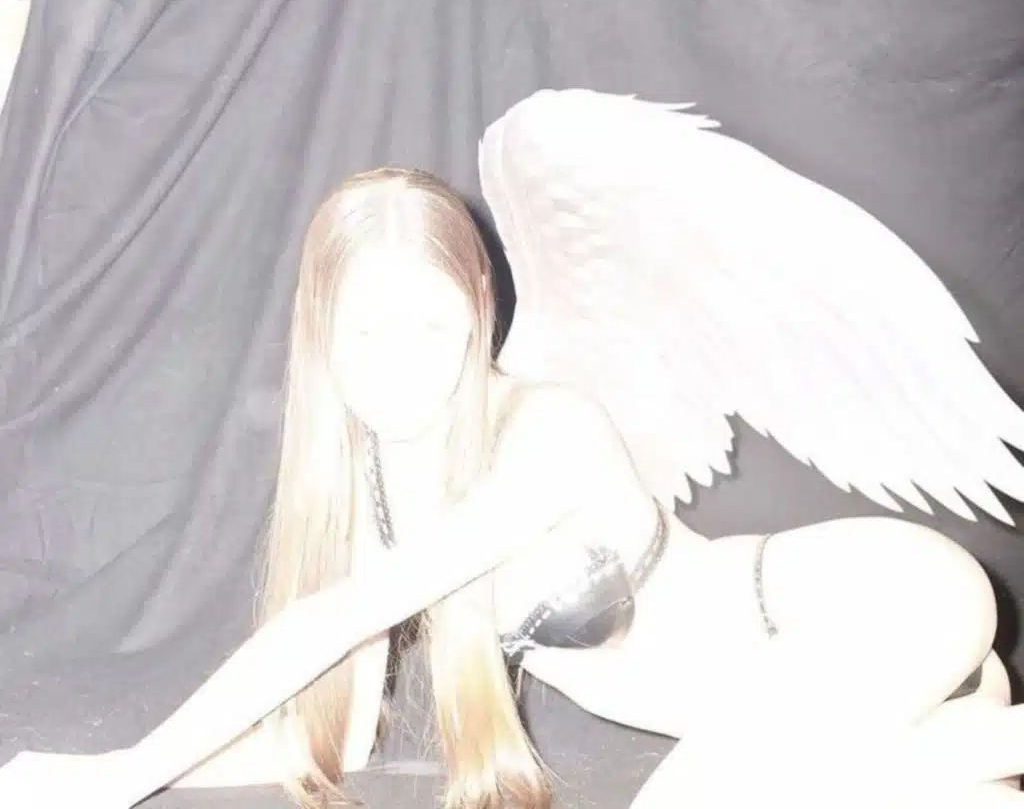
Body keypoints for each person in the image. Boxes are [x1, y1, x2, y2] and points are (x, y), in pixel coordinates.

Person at [2, 166, 1023, 809]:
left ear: (478, 311)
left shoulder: (547, 430)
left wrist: (117, 776)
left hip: (873, 597)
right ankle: (963, 745)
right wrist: (146, 777)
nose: (404, 364)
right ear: (320, 329)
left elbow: (336, 619)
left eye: (433, 325)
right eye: (370, 329)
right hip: (807, 696)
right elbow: (336, 737)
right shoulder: (374, 481)